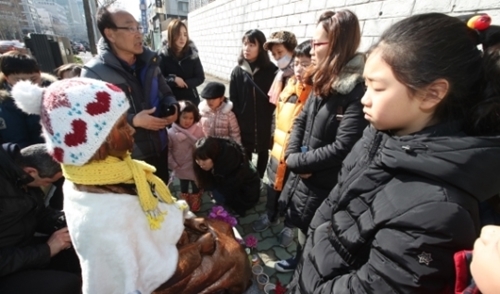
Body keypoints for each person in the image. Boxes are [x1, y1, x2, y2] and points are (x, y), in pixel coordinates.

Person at [287, 13, 500, 293]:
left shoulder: (438, 212)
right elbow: (335, 202)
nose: (364, 98)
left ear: (432, 94)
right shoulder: (379, 134)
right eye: (366, 85)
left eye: (377, 87)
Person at [12, 77, 252, 294]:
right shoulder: (96, 215)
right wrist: (196, 250)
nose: (131, 129)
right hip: (165, 274)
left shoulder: (116, 170)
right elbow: (119, 285)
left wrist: (186, 218)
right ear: (93, 144)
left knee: (223, 230)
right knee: (234, 257)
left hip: (171, 245)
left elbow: (157, 210)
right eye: (119, 126)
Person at [274, 10, 368, 272]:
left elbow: (343, 147)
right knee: (303, 231)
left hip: (325, 185)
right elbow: (301, 121)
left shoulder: (355, 90)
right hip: (304, 174)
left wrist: (300, 162)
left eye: (318, 43)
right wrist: (294, 158)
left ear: (337, 44)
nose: (312, 49)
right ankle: (298, 263)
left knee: (318, 236)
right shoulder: (323, 79)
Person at [81, 6, 178, 184]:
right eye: (130, 28)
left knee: (162, 197)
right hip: (128, 157)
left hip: (160, 145)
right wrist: (133, 121)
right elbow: (92, 122)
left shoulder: (150, 62)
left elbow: (166, 92)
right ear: (110, 34)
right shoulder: (94, 74)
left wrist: (172, 107)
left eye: (138, 27)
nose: (139, 34)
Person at [0, 143, 81, 294]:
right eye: (48, 182)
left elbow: (38, 213)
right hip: (7, 266)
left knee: (81, 253)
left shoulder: (20, 176)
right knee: (66, 284)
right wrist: (46, 250)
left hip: (22, 249)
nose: (47, 186)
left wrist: (72, 220)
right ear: (31, 171)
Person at [252, 41, 312, 237]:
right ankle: (270, 215)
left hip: (296, 154)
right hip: (278, 148)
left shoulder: (317, 93)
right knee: (272, 186)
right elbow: (276, 113)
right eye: (297, 63)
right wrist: (272, 138)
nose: (299, 68)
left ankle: (289, 226)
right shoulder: (287, 84)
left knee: (292, 191)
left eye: (305, 63)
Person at [230, 29, 277, 178]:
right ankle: (248, 179)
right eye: (244, 44)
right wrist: (240, 115)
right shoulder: (238, 71)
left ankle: (260, 178)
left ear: (261, 47)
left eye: (251, 44)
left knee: (263, 151)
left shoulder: (272, 71)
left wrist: (269, 112)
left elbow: (275, 96)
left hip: (264, 120)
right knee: (246, 152)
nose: (247, 48)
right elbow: (233, 98)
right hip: (245, 122)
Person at [0, 51, 57, 148]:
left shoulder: (55, 91)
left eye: (33, 79)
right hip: (27, 158)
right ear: (7, 78)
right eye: (19, 80)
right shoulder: (5, 103)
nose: (28, 84)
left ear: (39, 73)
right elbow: (16, 140)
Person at [194, 137, 260, 216]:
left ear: (213, 156)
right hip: (236, 188)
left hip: (246, 194)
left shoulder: (229, 165)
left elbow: (229, 188)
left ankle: (233, 209)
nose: (201, 164)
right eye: (197, 159)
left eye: (204, 160)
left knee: (218, 195)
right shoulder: (218, 152)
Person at [168, 100, 205, 212]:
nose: (188, 121)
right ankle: (184, 201)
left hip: (195, 164)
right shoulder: (171, 133)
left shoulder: (199, 130)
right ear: (177, 116)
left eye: (191, 118)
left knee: (195, 184)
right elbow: (168, 150)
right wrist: (173, 164)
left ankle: (195, 200)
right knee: (183, 183)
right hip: (180, 165)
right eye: (184, 117)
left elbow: (203, 146)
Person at [159, 19, 205, 105]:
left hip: (191, 101)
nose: (182, 38)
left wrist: (185, 83)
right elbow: (159, 78)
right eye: (178, 34)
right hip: (171, 101)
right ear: (171, 35)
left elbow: (200, 77)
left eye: (185, 34)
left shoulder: (193, 54)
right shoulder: (162, 56)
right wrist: (173, 79)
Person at [263, 30, 297, 104]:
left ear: (292, 50)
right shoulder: (279, 74)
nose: (277, 57)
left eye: (280, 52)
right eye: (274, 54)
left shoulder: (301, 75)